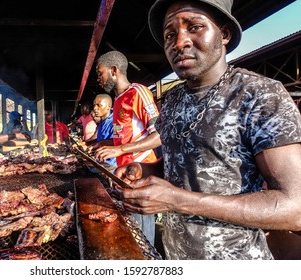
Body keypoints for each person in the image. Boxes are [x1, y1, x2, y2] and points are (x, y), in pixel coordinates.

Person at [113, 0, 301, 260]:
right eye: (170, 34)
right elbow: (185, 163)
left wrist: (177, 200)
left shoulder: (259, 95)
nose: (179, 43)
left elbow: (295, 209)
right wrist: (146, 169)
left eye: (195, 27)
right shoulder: (173, 100)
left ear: (224, 34)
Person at [94, 50, 162, 246]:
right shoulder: (117, 101)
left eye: (101, 73)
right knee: (131, 231)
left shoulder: (138, 92)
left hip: (142, 173)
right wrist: (105, 144)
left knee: (142, 236)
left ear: (114, 70)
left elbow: (159, 135)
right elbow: (123, 137)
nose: (99, 78)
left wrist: (120, 150)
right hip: (123, 175)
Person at [88, 94, 116, 167]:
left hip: (111, 164)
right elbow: (102, 138)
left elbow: (118, 141)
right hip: (101, 159)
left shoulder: (116, 122)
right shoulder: (101, 121)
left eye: (99, 105)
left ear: (108, 107)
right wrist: (87, 144)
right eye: (94, 105)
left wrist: (99, 144)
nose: (95, 108)